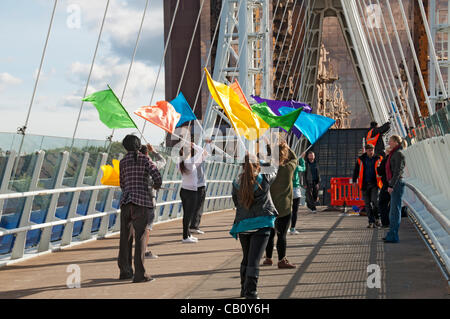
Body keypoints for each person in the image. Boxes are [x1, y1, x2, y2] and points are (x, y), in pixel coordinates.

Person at [230, 154, 278, 299]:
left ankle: (244, 289)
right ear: (258, 165)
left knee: (246, 257)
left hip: (243, 225)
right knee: (254, 260)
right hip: (261, 224)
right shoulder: (264, 179)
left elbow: (235, 202)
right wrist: (263, 161)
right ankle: (251, 293)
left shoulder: (236, 182)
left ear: (242, 166)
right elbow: (274, 169)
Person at [118, 135, 162, 283]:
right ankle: (140, 274)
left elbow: (122, 184)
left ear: (125, 147)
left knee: (125, 239)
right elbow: (157, 176)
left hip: (126, 203)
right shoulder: (145, 159)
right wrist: (154, 186)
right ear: (138, 146)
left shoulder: (122, 162)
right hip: (142, 204)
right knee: (141, 238)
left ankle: (125, 271)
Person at [263, 141, 297, 269]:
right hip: (284, 207)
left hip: (269, 206)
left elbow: (265, 160)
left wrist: (269, 149)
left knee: (270, 233)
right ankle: (282, 260)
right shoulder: (288, 168)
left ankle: (268, 258)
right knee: (281, 235)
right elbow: (295, 158)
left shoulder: (268, 169)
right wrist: (288, 147)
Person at [178, 140, 211, 243]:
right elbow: (201, 151)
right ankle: (185, 237)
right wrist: (194, 145)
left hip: (184, 190)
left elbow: (203, 154)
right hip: (191, 192)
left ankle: (187, 234)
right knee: (188, 214)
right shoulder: (190, 162)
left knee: (186, 214)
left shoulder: (180, 163)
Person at [139, 144, 166, 259]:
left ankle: (138, 250)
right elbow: (163, 161)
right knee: (147, 227)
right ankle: (144, 251)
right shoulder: (151, 164)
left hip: (134, 199)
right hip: (149, 199)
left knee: (137, 227)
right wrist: (154, 151)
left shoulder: (132, 164)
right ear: (147, 153)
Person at [352, 143, 383, 228]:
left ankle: (377, 218)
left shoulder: (379, 158)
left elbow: (382, 170)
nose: (371, 152)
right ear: (366, 151)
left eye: (372, 150)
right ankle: (371, 221)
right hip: (364, 184)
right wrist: (354, 181)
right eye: (369, 150)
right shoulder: (361, 159)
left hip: (375, 184)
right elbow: (356, 170)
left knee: (375, 201)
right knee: (367, 204)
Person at [383, 135, 407, 243]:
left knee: (395, 211)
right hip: (394, 184)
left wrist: (391, 185)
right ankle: (391, 233)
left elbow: (398, 171)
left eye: (391, 141)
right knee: (393, 211)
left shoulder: (398, 154)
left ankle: (393, 235)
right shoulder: (395, 153)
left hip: (396, 185)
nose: (389, 143)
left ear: (396, 142)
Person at [189, 141, 212, 235]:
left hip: (191, 186)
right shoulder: (199, 159)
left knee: (192, 207)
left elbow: (204, 152)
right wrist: (195, 145)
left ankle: (190, 225)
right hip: (200, 185)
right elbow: (205, 152)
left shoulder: (188, 161)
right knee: (199, 207)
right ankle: (194, 226)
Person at [289, 154, 306, 235]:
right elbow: (303, 168)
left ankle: (286, 228)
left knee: (287, 210)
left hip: (287, 189)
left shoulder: (285, 166)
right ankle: (292, 228)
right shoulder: (295, 166)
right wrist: (302, 159)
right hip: (296, 189)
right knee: (295, 211)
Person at [377, 146, 391, 228]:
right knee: (392, 203)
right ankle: (390, 220)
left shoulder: (385, 160)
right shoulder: (395, 159)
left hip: (386, 184)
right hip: (393, 184)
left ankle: (385, 222)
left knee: (382, 203)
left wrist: (378, 166)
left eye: (385, 151)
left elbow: (380, 172)